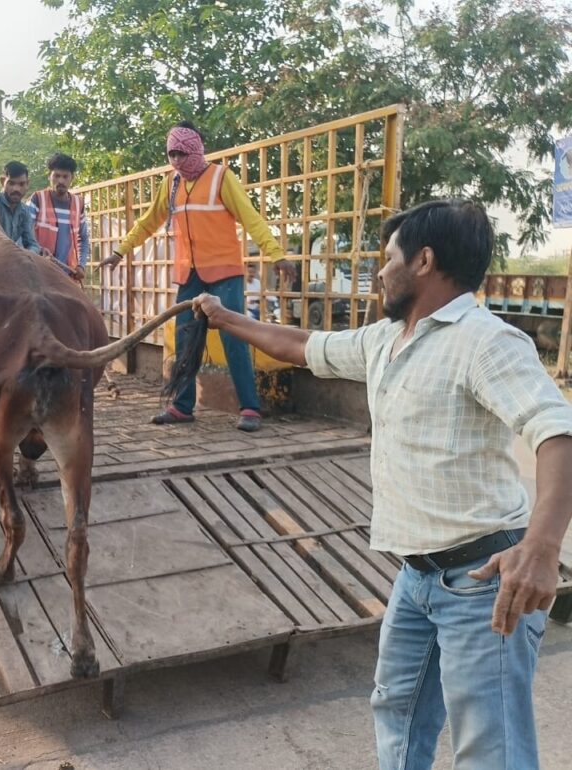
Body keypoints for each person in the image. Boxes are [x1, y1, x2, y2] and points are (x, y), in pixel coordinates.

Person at [190, 199, 572, 770]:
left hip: (482, 581)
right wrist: (226, 319)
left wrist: (541, 550)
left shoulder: (486, 341)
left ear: (423, 261)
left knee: (490, 747)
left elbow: (558, 433)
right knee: (397, 711)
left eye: (386, 257)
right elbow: (301, 346)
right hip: (415, 577)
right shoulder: (385, 340)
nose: (378, 271)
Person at [102, 121, 284, 432]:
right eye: (171, 154)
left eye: (181, 154)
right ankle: (182, 406)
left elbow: (251, 218)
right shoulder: (171, 184)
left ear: (196, 150)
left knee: (234, 335)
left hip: (224, 272)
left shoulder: (221, 178)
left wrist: (276, 254)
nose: (176, 160)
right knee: (185, 339)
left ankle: (250, 408)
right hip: (189, 274)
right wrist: (121, 251)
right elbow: (147, 222)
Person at [28, 152, 90, 282]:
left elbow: (83, 239)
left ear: (72, 178)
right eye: (56, 176)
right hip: (39, 272)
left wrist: (81, 265)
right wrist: (39, 251)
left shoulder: (79, 203)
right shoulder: (38, 199)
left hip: (67, 276)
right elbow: (25, 233)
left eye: (65, 176)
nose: (61, 181)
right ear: (49, 176)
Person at [0, 160, 42, 254]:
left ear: (27, 184)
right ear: (2, 182)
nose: (16, 189)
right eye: (11, 183)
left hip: (12, 259)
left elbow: (33, 245)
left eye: (21, 184)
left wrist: (28, 254)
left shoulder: (24, 211)